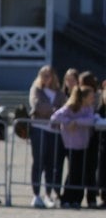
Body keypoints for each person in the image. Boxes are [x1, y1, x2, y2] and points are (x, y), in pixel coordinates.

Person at [51, 85, 97, 209]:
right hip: (71, 145)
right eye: (91, 96)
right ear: (84, 97)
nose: (93, 98)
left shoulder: (88, 108)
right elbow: (55, 117)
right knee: (73, 172)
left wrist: (76, 121)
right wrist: (67, 122)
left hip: (83, 145)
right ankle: (66, 198)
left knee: (80, 173)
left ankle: (77, 199)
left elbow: (90, 120)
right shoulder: (69, 107)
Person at [27, 65, 67, 208]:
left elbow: (64, 108)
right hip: (39, 129)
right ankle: (36, 194)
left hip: (54, 131)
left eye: (48, 75)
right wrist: (54, 111)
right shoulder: (36, 89)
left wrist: (52, 111)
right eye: (43, 75)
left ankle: (48, 194)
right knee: (38, 161)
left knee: (51, 164)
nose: (45, 78)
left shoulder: (59, 93)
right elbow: (37, 105)